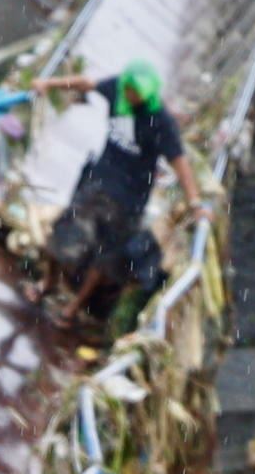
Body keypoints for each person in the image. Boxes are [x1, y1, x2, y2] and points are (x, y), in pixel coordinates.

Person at [31, 59, 203, 314]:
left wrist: (195, 203)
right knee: (64, 230)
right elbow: (85, 84)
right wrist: (48, 84)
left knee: (106, 256)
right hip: (100, 181)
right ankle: (48, 283)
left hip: (130, 197)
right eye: (129, 90)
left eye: (137, 93)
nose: (131, 96)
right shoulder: (117, 88)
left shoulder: (161, 121)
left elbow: (179, 162)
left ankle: (73, 308)